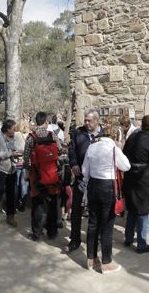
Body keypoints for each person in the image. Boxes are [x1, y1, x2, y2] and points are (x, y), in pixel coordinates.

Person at [82, 130, 130, 273]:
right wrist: (119, 148)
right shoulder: (113, 148)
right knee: (107, 226)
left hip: (93, 184)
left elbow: (85, 170)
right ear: (114, 137)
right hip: (107, 186)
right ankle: (106, 262)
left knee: (92, 223)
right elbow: (126, 166)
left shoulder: (91, 147)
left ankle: (91, 259)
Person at [121, 114, 149, 253]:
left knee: (132, 209)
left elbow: (123, 154)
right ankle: (142, 244)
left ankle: (128, 238)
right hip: (144, 180)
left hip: (130, 176)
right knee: (143, 211)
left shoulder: (132, 138)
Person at [66, 108, 103, 252]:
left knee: (96, 211)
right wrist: (73, 163)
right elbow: (71, 150)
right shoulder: (78, 133)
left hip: (97, 179)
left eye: (89, 120)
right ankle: (75, 239)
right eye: (85, 120)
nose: (86, 123)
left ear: (96, 121)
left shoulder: (104, 135)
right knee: (76, 209)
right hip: (81, 178)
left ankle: (96, 240)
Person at [23, 111, 62, 241]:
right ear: (46, 122)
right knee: (52, 204)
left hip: (37, 176)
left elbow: (26, 157)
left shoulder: (31, 138)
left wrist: (28, 171)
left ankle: (37, 233)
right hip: (52, 174)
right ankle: (52, 232)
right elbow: (60, 150)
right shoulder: (53, 136)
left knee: (38, 204)